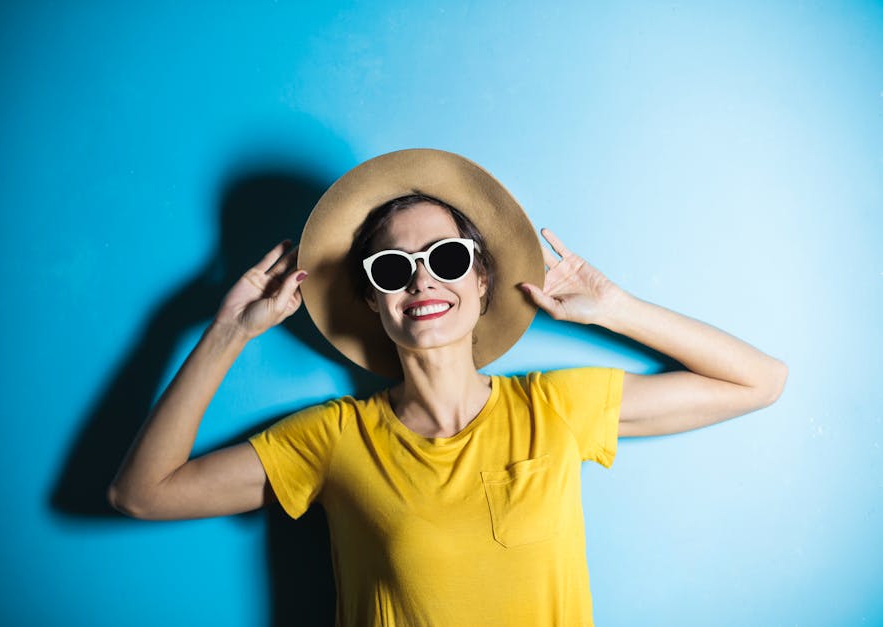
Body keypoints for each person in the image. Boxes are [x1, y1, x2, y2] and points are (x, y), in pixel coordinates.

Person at [108, 149, 788, 626]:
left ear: (481, 280)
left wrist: (617, 307)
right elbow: (141, 494)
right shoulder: (333, 439)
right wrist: (227, 329)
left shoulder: (555, 409)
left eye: (447, 258)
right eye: (393, 267)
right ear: (373, 299)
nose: (422, 280)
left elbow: (760, 380)